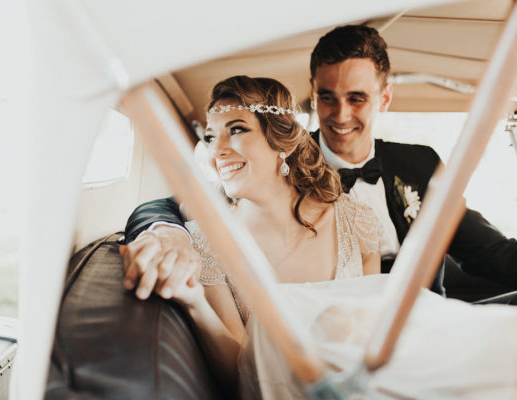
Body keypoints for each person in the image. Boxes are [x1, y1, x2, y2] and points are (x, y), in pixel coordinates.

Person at [120, 24, 517, 300]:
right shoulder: (278, 160)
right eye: (327, 97)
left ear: (385, 98)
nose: (340, 115)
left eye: (356, 98)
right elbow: (167, 206)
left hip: (420, 326)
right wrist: (165, 233)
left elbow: (488, 251)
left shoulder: (421, 163)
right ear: (313, 94)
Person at [142, 75, 382, 396]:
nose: (219, 152)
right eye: (211, 138)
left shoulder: (356, 220)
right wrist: (195, 303)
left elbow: (375, 332)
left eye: (237, 130)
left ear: (280, 141)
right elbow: (237, 373)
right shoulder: (209, 240)